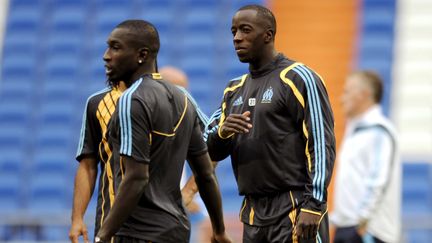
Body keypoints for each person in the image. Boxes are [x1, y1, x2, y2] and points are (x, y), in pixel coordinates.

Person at [204, 4, 336, 243]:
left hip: (294, 206)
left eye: (245, 30)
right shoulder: (234, 89)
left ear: (268, 34)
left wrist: (314, 205)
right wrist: (222, 133)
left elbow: (321, 142)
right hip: (253, 212)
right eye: (233, 31)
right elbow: (207, 147)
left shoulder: (298, 77)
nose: (237, 38)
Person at [94, 19, 231, 243]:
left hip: (138, 233)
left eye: (116, 47)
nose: (106, 55)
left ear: (142, 55)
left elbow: (137, 177)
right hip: (175, 231)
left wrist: (103, 236)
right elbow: (206, 174)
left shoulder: (132, 99)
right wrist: (219, 229)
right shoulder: (183, 99)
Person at [330, 71, 401, 243]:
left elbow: (378, 180)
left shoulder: (380, 130)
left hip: (368, 231)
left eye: (347, 92)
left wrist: (362, 221)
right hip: (348, 227)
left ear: (364, 94)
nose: (342, 99)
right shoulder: (354, 130)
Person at [69, 69, 127, 242]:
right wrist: (77, 218)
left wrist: (188, 191)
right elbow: (87, 164)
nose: (107, 56)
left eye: (116, 48)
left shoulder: (173, 98)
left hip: (157, 225)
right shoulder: (97, 103)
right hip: (109, 225)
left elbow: (207, 145)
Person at [159, 66, 212, 242]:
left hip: (176, 207)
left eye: (186, 90)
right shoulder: (141, 121)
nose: (185, 96)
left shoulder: (185, 121)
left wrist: (187, 193)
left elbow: (213, 144)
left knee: (209, 227)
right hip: (150, 214)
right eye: (180, 90)